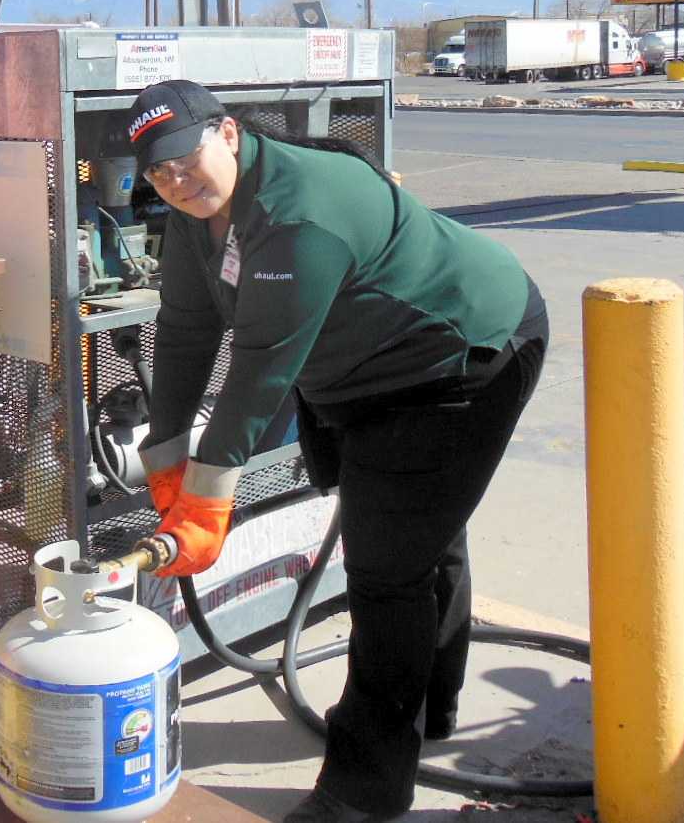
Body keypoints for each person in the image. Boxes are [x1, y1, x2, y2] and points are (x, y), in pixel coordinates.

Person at [127, 79, 549, 823]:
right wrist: (164, 454)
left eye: (184, 159)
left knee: (385, 572)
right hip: (364, 370)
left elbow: (258, 367)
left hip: (458, 357)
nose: (175, 181)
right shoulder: (198, 214)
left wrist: (204, 494)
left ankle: (364, 790)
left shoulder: (299, 214)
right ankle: (431, 712)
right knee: (417, 537)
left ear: (226, 134)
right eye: (157, 172)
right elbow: (188, 330)